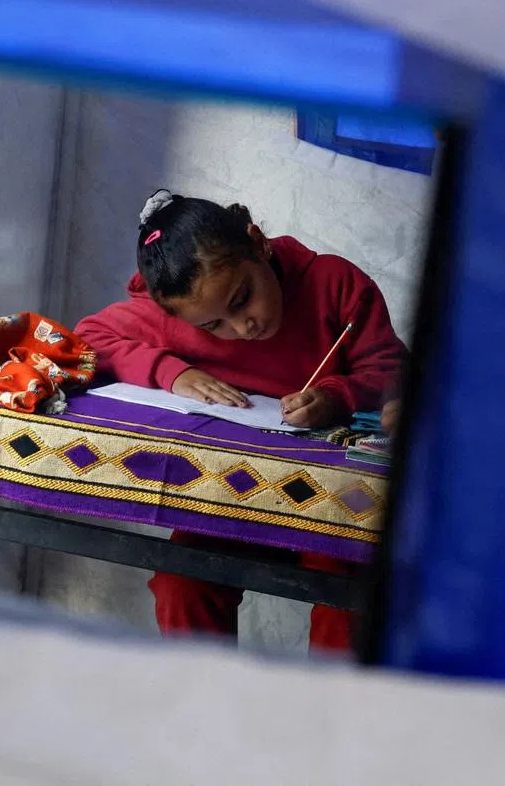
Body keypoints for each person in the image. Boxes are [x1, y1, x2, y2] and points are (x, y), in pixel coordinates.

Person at [74, 189, 407, 652]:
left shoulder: (333, 284)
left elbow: (391, 372)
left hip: (333, 504)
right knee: (181, 581)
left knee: (350, 598)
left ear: (258, 244)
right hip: (232, 494)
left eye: (242, 298)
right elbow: (90, 337)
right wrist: (174, 373)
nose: (241, 327)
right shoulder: (179, 311)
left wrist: (336, 396)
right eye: (214, 327)